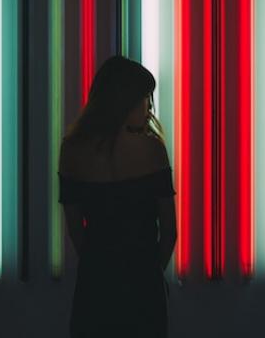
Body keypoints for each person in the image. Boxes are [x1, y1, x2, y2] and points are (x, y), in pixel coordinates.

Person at [58, 55, 177, 338]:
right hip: (143, 283)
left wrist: (100, 266)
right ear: (126, 102)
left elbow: (75, 230)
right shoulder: (152, 151)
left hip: (95, 283)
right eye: (146, 97)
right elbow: (170, 232)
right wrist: (149, 272)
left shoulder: (71, 151)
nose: (149, 107)